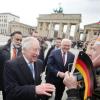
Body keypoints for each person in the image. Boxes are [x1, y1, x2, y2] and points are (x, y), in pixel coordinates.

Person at [0, 31, 22, 100]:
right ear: (12, 38)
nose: (19, 41)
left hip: (18, 82)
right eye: (17, 39)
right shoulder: (2, 49)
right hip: (5, 81)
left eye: (21, 40)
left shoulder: (23, 51)